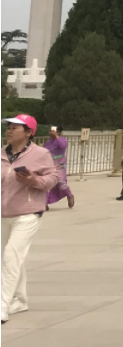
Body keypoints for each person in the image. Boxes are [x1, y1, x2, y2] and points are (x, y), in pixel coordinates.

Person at [2, 114, 57, 324]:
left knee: (10, 256)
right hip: (4, 214)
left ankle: (2, 306)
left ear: (28, 133)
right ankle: (20, 300)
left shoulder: (41, 154)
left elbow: (52, 179)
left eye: (15, 128)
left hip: (28, 213)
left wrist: (33, 180)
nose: (9, 130)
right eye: (8, 127)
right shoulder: (2, 153)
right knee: (11, 258)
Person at [43, 126, 74, 210]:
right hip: (49, 164)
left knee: (61, 182)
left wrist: (56, 137)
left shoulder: (63, 140)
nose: (50, 132)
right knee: (48, 183)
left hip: (60, 163)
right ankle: (44, 204)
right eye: (50, 131)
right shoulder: (48, 142)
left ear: (58, 132)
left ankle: (69, 195)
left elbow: (63, 146)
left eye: (53, 131)